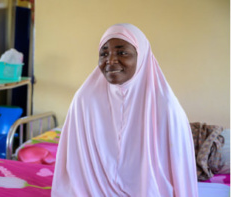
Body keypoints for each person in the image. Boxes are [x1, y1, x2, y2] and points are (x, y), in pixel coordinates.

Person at [51, 23, 198, 197]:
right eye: (104, 53)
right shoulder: (84, 100)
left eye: (122, 52)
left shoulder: (165, 107)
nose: (110, 60)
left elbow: (179, 170)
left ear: (141, 56)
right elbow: (75, 166)